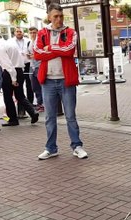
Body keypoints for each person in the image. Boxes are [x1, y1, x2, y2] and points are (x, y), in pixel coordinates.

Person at [34, 2, 88, 160]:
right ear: (49, 17)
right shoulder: (42, 33)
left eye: (61, 16)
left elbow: (70, 50)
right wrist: (58, 49)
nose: (59, 19)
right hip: (48, 81)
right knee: (50, 117)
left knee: (70, 115)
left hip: (66, 80)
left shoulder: (71, 32)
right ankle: (51, 148)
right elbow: (37, 53)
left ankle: (77, 146)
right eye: (55, 16)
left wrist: (49, 48)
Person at [0, 34, 39, 127]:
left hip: (10, 72)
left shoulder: (0, 48)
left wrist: (13, 78)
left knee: (8, 97)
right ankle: (33, 112)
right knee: (20, 95)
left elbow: (7, 64)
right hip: (19, 70)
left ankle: (13, 119)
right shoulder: (11, 44)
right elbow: (20, 60)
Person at [9, 27, 34, 118]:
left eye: (20, 31)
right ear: (14, 33)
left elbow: (33, 53)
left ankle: (30, 107)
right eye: (17, 31)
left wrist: (29, 55)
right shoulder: (11, 42)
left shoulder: (28, 41)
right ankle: (21, 111)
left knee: (29, 86)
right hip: (17, 66)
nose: (19, 33)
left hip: (27, 64)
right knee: (19, 88)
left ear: (23, 32)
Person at [27, 26, 44, 112]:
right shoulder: (30, 42)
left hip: (39, 65)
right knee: (34, 86)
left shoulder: (40, 42)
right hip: (32, 66)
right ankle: (39, 102)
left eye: (34, 32)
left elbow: (43, 53)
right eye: (31, 33)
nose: (33, 34)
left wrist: (35, 56)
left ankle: (42, 103)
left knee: (41, 85)